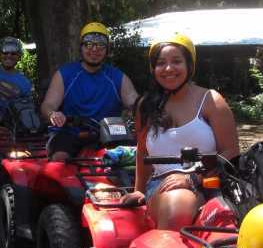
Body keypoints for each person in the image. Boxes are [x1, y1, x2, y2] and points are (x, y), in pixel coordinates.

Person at [121, 33, 239, 230]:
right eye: (160, 63)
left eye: (176, 61)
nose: (168, 69)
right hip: (161, 186)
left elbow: (231, 152)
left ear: (189, 66)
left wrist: (192, 177)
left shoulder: (210, 100)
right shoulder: (146, 105)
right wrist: (139, 191)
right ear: (153, 68)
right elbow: (142, 152)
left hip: (211, 182)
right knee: (177, 203)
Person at [40, 22, 138, 161]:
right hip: (70, 133)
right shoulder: (65, 74)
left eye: (101, 45)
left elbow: (135, 102)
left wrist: (150, 109)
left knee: (134, 156)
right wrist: (52, 114)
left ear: (107, 49)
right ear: (81, 47)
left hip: (108, 135)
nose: (94, 49)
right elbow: (48, 105)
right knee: (60, 158)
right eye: (88, 44)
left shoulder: (117, 76)